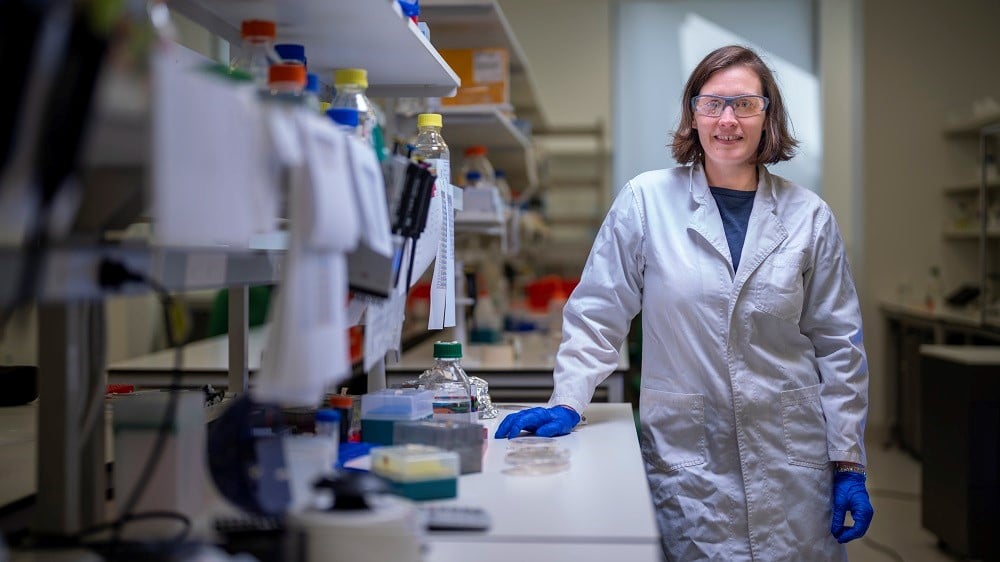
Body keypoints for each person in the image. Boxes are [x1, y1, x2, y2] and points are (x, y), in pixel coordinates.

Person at [494, 45, 873, 560]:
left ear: (768, 115)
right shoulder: (645, 201)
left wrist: (848, 459)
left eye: (744, 104)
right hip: (690, 461)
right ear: (692, 115)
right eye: (712, 103)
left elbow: (838, 344)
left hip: (792, 462)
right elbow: (598, 313)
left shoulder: (810, 216)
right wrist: (567, 399)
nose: (727, 120)